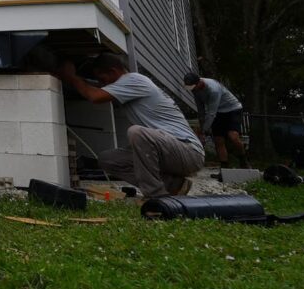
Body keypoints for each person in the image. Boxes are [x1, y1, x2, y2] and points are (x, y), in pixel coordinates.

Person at [56, 53, 204, 198]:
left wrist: (73, 78)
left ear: (113, 71)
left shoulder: (133, 80)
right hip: (170, 150)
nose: (102, 84)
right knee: (108, 159)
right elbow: (95, 89)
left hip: (189, 152)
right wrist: (76, 80)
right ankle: (173, 185)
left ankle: (156, 196)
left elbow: (95, 96)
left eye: (102, 79)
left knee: (137, 133)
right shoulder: (128, 83)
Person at [185, 71, 249, 167]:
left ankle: (244, 161)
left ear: (199, 82)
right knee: (218, 140)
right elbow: (201, 110)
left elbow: (211, 114)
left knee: (233, 137)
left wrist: (203, 131)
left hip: (232, 109)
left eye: (193, 87)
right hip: (218, 112)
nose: (192, 90)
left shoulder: (213, 89)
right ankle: (224, 168)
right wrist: (202, 127)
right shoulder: (195, 90)